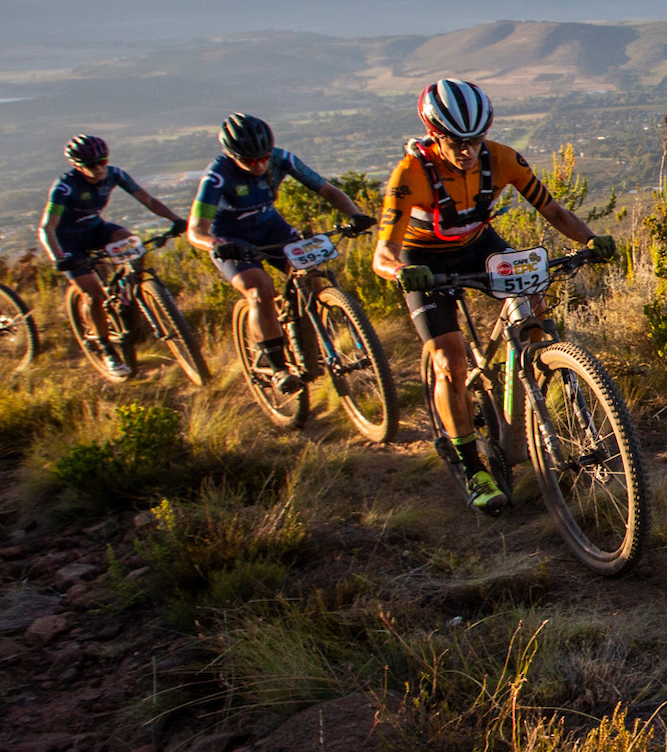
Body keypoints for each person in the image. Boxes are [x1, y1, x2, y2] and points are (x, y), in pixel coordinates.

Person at [370, 79, 614, 513]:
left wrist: (591, 241)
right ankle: (471, 466)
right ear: (433, 133)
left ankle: (534, 387)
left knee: (536, 306)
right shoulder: (409, 175)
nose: (467, 151)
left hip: (479, 245)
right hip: (423, 258)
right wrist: (402, 272)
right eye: (454, 141)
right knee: (450, 360)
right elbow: (383, 253)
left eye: (475, 140)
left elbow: (553, 210)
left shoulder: (502, 158)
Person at [187, 113, 371, 392]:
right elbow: (196, 230)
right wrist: (215, 245)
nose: (260, 165)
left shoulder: (281, 159)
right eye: (250, 161)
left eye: (264, 156)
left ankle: (310, 344)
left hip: (271, 228)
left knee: (311, 279)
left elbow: (327, 190)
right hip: (231, 238)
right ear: (231, 155)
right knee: (259, 290)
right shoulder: (217, 176)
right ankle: (277, 367)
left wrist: (355, 215)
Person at [37, 134, 184, 380]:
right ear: (77, 166)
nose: (99, 168)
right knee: (94, 295)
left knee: (132, 241)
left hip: (95, 229)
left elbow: (148, 200)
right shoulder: (65, 186)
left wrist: (176, 220)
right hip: (68, 242)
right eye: (92, 165)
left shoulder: (115, 174)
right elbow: (46, 228)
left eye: (103, 161)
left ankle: (131, 290)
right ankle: (107, 350)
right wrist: (58, 256)